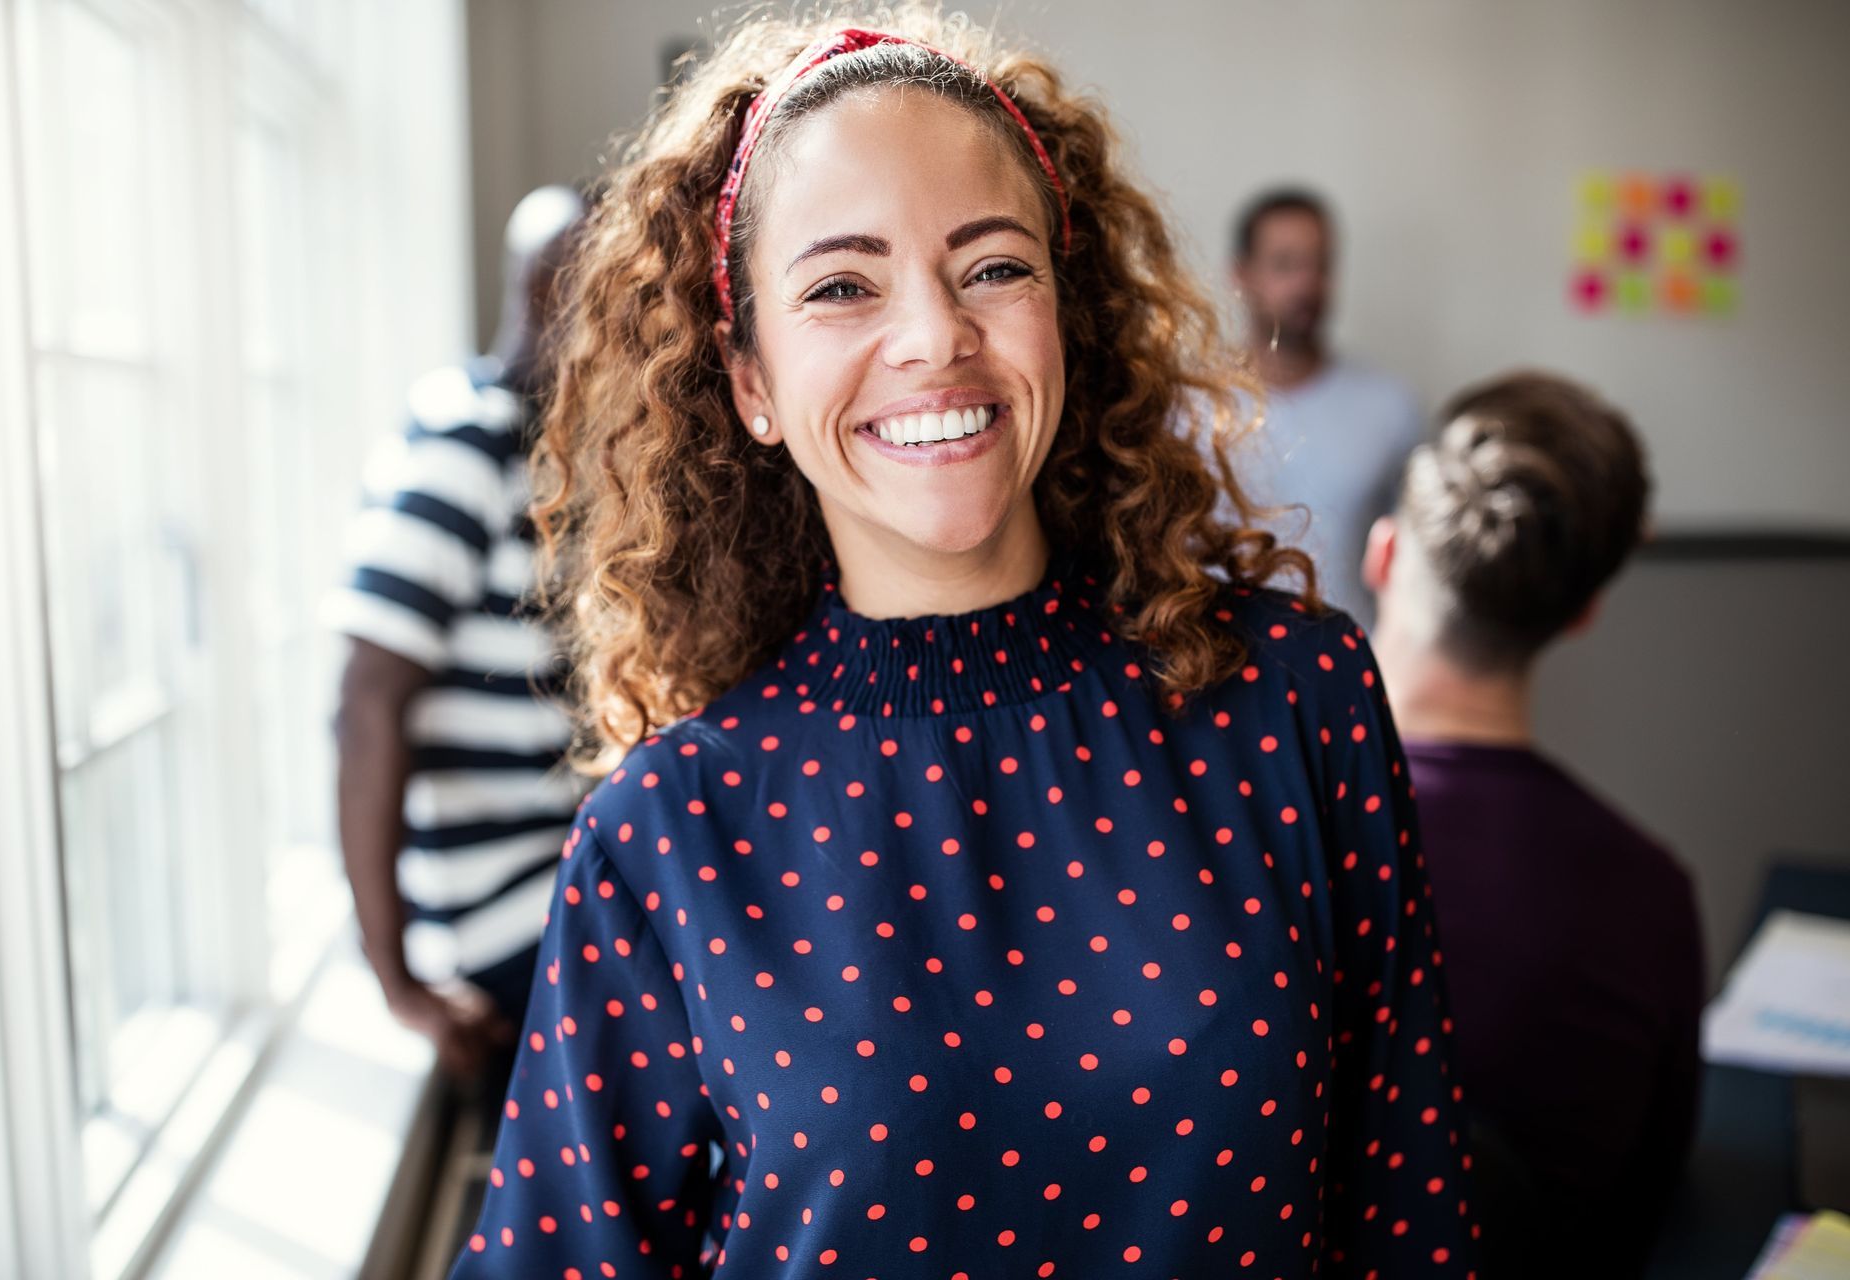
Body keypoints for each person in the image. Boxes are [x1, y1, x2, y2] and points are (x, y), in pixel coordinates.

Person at [451, 11, 1475, 1276]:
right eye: (841, 285)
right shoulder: (669, 830)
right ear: (752, 380)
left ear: (1069, 311)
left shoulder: (1291, 700)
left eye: (993, 267)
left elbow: (1414, 1209)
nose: (935, 335)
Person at [1362, 370, 1704, 1277]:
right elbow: (1647, 1222)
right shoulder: (1652, 900)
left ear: (1384, 557)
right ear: (1583, 613)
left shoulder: (1255, 838)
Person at [326, 185, 591, 1082]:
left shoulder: (545, 451)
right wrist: (397, 983)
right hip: (501, 911)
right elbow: (366, 703)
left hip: (556, 883)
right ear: (552, 294)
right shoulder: (463, 440)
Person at [1231, 188, 1423, 625]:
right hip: (1218, 677)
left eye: (1320, 265)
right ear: (1241, 275)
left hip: (1355, 673)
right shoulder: (1186, 409)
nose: (1306, 284)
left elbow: (1418, 571)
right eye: (1285, 264)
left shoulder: (1390, 408)